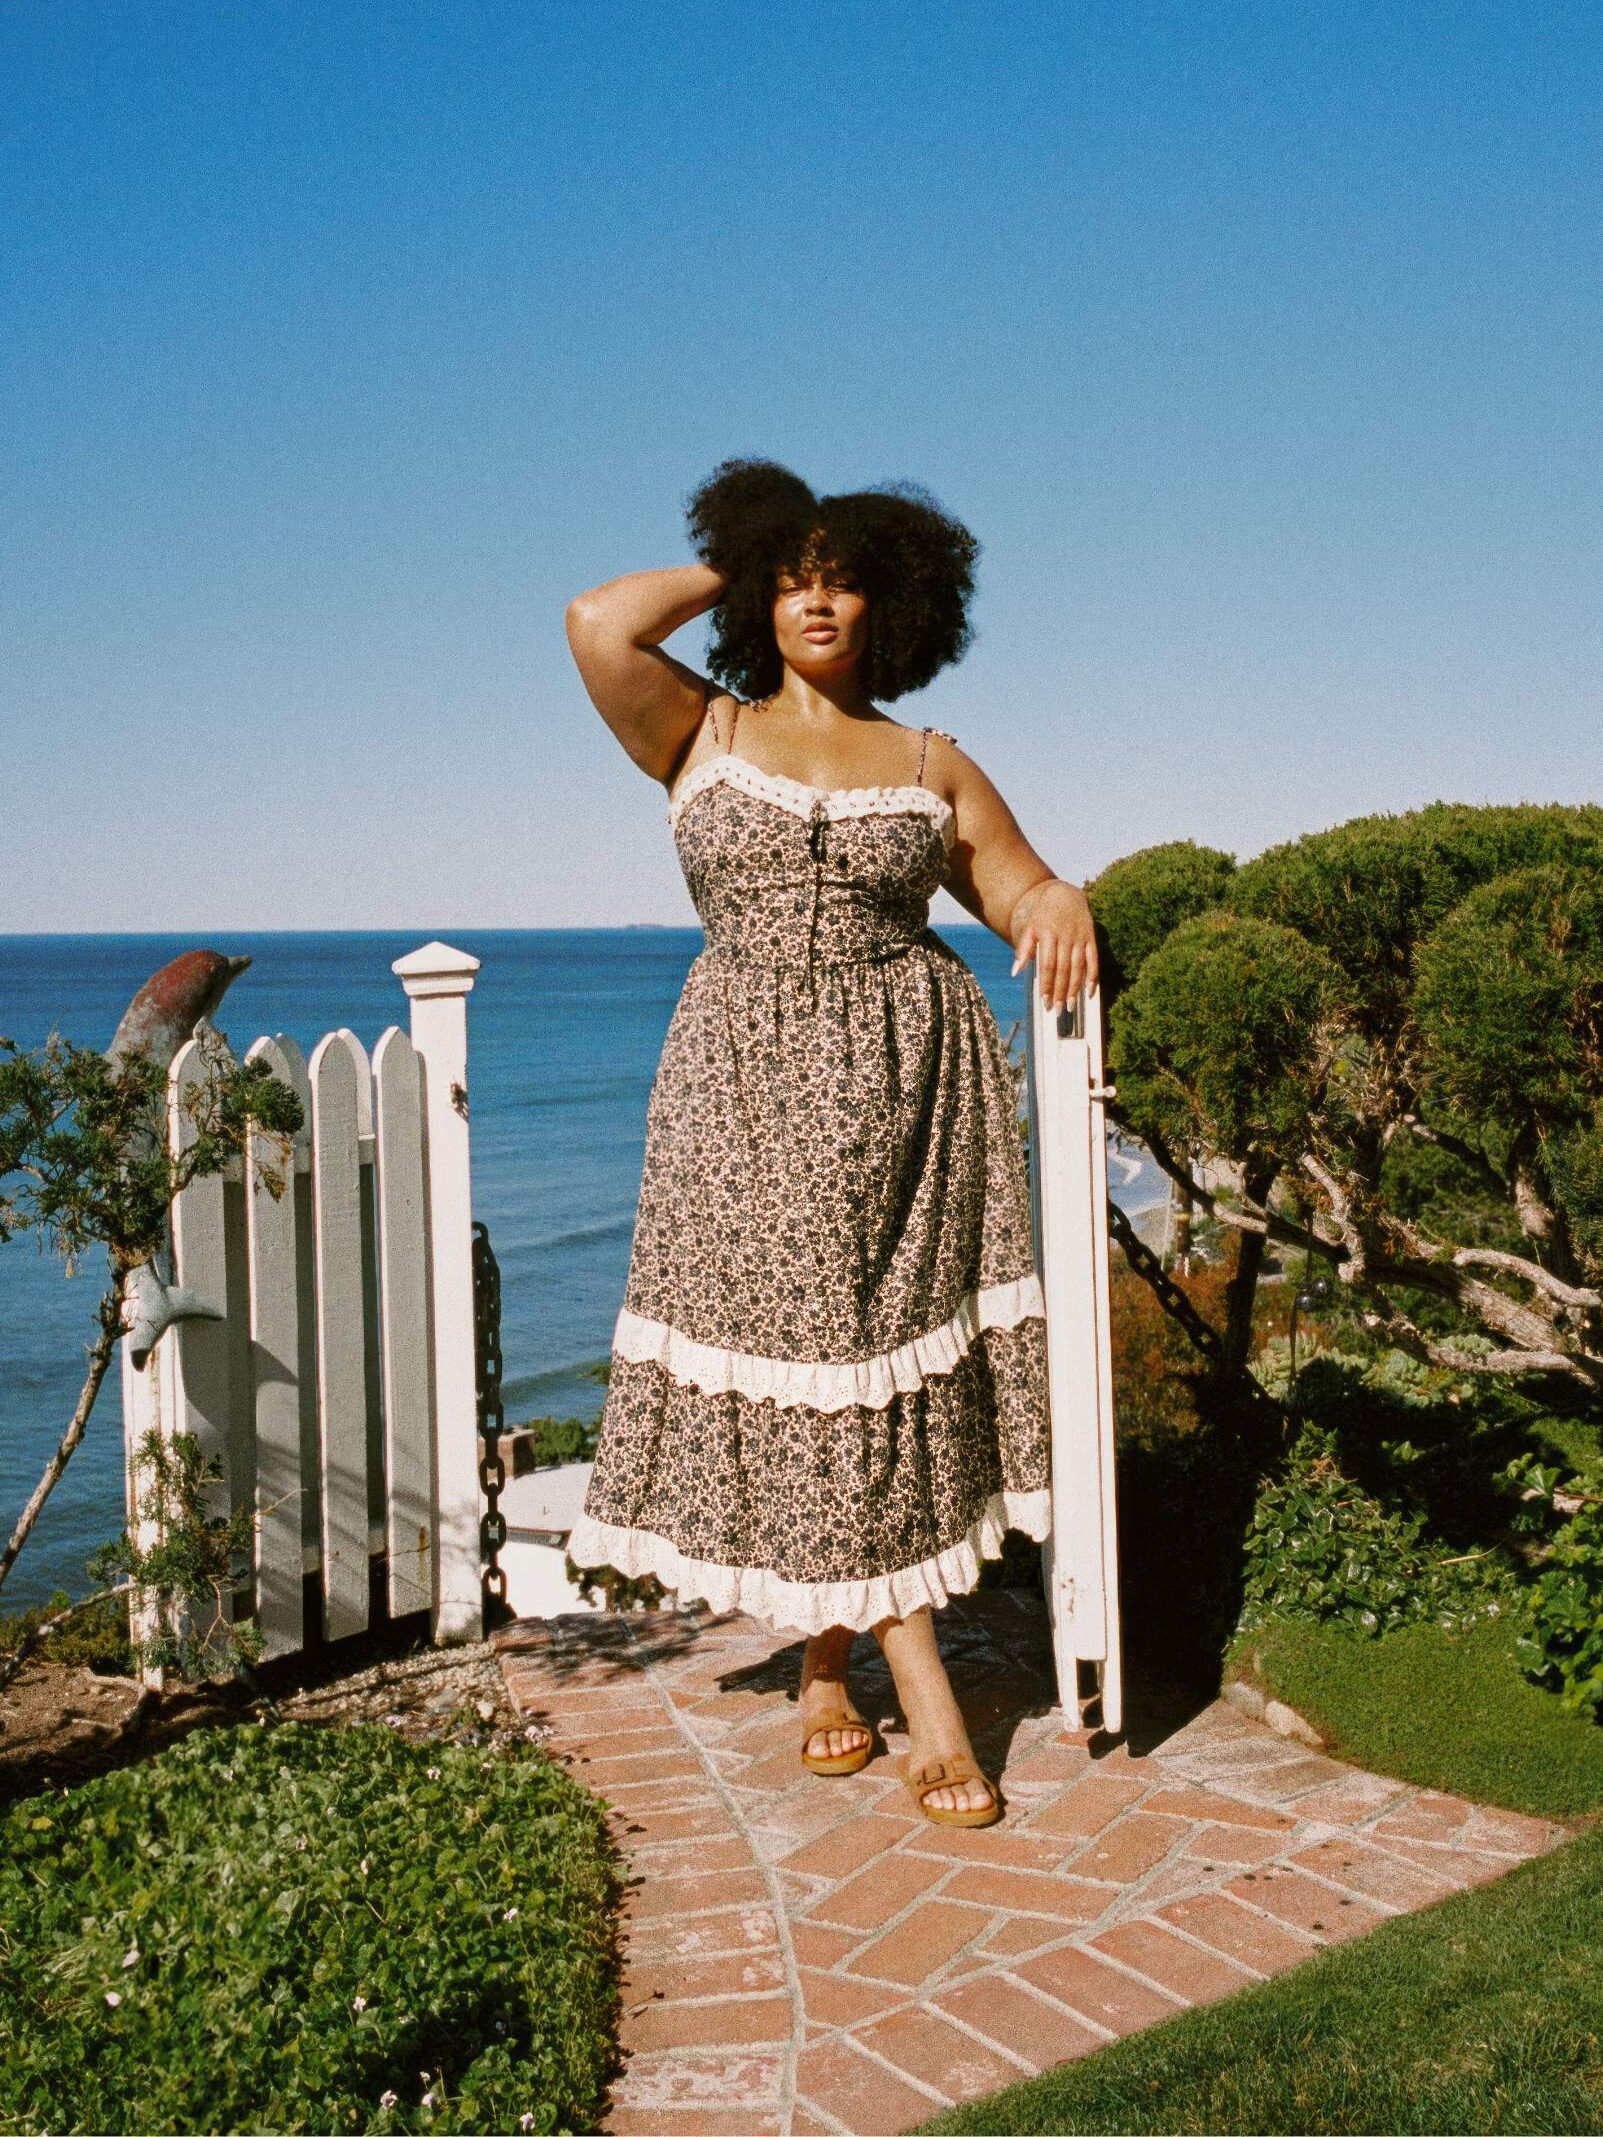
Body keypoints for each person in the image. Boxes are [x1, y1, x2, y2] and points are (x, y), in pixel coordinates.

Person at [562, 458, 1098, 1825]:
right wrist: (745, 554)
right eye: (792, 580)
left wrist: (1058, 896)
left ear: (890, 604)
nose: (816, 601)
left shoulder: (930, 764)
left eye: (843, 580)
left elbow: (1014, 883)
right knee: (821, 1366)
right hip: (740, 1106)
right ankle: (925, 1692)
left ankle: (824, 1669)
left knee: (866, 1369)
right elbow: (597, 622)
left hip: (912, 1102)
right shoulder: (698, 729)